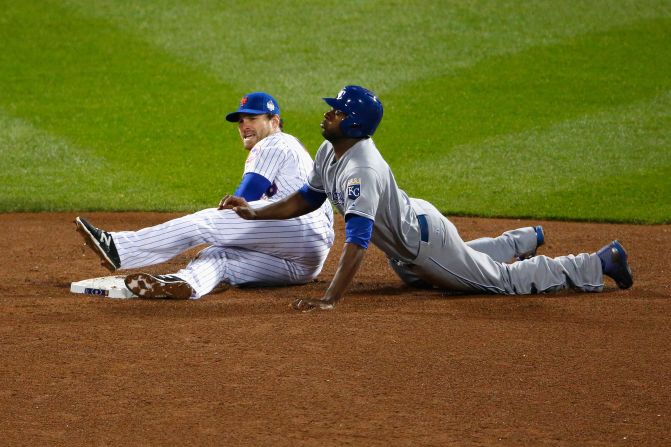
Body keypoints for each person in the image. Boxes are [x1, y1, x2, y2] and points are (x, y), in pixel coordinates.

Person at [221, 85, 633, 311]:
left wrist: (330, 300)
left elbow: (358, 243)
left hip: (423, 243)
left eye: (337, 112)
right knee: (420, 274)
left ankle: (596, 262)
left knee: (500, 283)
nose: (328, 115)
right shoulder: (332, 149)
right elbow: (307, 199)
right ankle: (519, 240)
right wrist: (255, 213)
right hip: (415, 231)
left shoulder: (360, 168)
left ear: (356, 123)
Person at [75, 92, 334, 299]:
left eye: (253, 118)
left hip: (297, 228)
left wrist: (225, 222)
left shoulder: (275, 142)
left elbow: (246, 196)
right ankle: (186, 283)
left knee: (205, 223)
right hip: (306, 263)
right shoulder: (293, 148)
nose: (244, 125)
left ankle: (118, 248)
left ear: (274, 121)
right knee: (220, 257)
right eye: (240, 120)